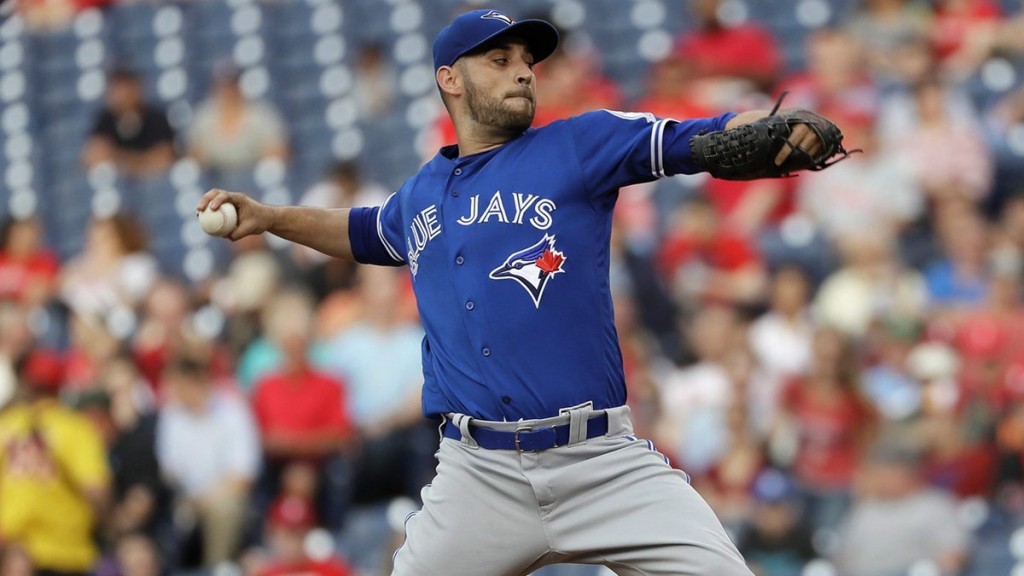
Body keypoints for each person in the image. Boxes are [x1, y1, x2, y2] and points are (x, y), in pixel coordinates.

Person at [197, 9, 840, 574]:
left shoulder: (578, 143)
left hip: (600, 461)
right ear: (450, 78)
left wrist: (778, 128)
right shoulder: (422, 193)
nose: (523, 72)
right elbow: (365, 231)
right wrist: (271, 216)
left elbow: (696, 136)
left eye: (527, 61)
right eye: (500, 60)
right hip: (478, 475)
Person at [0, 349, 112, 576]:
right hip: (64, 551)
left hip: (13, 551)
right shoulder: (76, 428)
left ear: (27, 383)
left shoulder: (6, 425)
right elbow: (96, 491)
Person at [82, 68, 176, 178]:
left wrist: (120, 159)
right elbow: (94, 156)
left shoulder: (156, 118)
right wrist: (141, 161)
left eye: (126, 88)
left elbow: (164, 159)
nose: (122, 95)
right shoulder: (105, 120)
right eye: (116, 89)